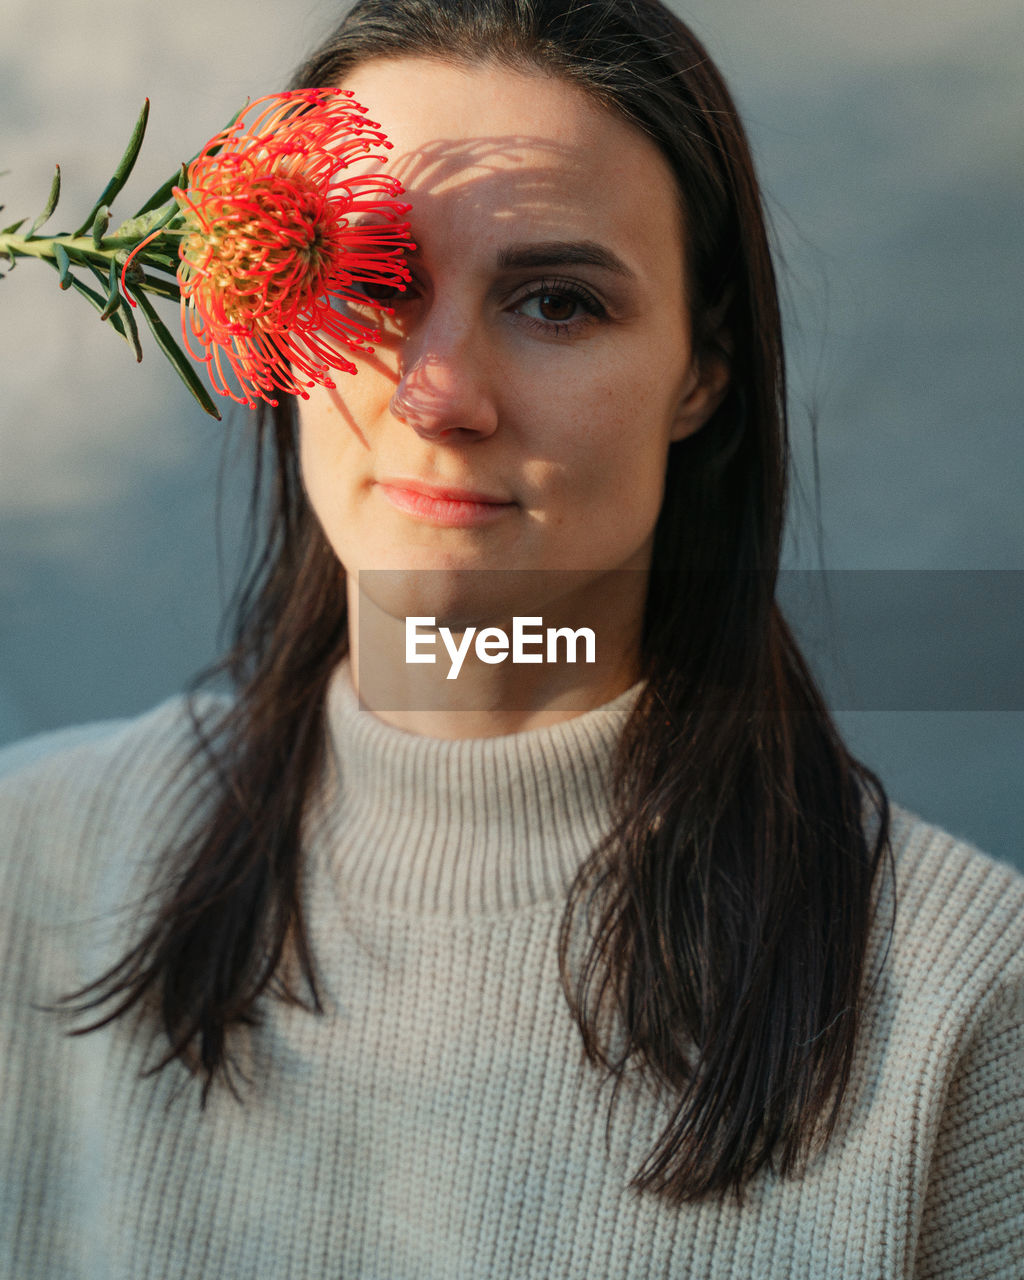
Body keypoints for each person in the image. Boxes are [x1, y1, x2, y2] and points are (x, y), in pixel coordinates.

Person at [2, 1, 1022, 1276]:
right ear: (269, 317)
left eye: (554, 301)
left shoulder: (960, 1006)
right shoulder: (32, 866)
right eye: (373, 283)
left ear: (700, 372)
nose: (439, 393)